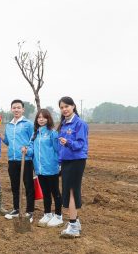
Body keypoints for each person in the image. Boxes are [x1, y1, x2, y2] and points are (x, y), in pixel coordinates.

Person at [23, 109, 63, 227]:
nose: (41, 119)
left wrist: (59, 164)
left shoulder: (52, 133)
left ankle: (58, 216)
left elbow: (58, 150)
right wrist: (26, 150)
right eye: (39, 117)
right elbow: (31, 150)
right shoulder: (35, 134)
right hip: (39, 169)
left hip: (51, 168)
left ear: (48, 119)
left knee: (55, 192)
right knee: (45, 192)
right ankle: (47, 213)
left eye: (44, 117)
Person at [57, 96, 88, 238]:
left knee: (71, 191)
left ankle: (74, 226)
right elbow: (60, 146)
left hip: (76, 161)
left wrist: (68, 142)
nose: (64, 109)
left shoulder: (80, 124)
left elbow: (81, 144)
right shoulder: (63, 124)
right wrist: (59, 162)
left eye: (66, 106)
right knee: (67, 191)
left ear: (73, 106)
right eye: (62, 107)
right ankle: (75, 222)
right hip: (65, 161)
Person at [1, 99, 35, 222]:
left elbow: (33, 140)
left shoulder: (28, 124)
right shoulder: (9, 125)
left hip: (25, 159)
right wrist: (0, 136)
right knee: (14, 185)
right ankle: (16, 209)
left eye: (18, 107)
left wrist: (28, 150)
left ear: (23, 109)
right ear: (11, 109)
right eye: (14, 107)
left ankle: (30, 211)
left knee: (28, 186)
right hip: (12, 159)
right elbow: (8, 142)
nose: (16, 110)